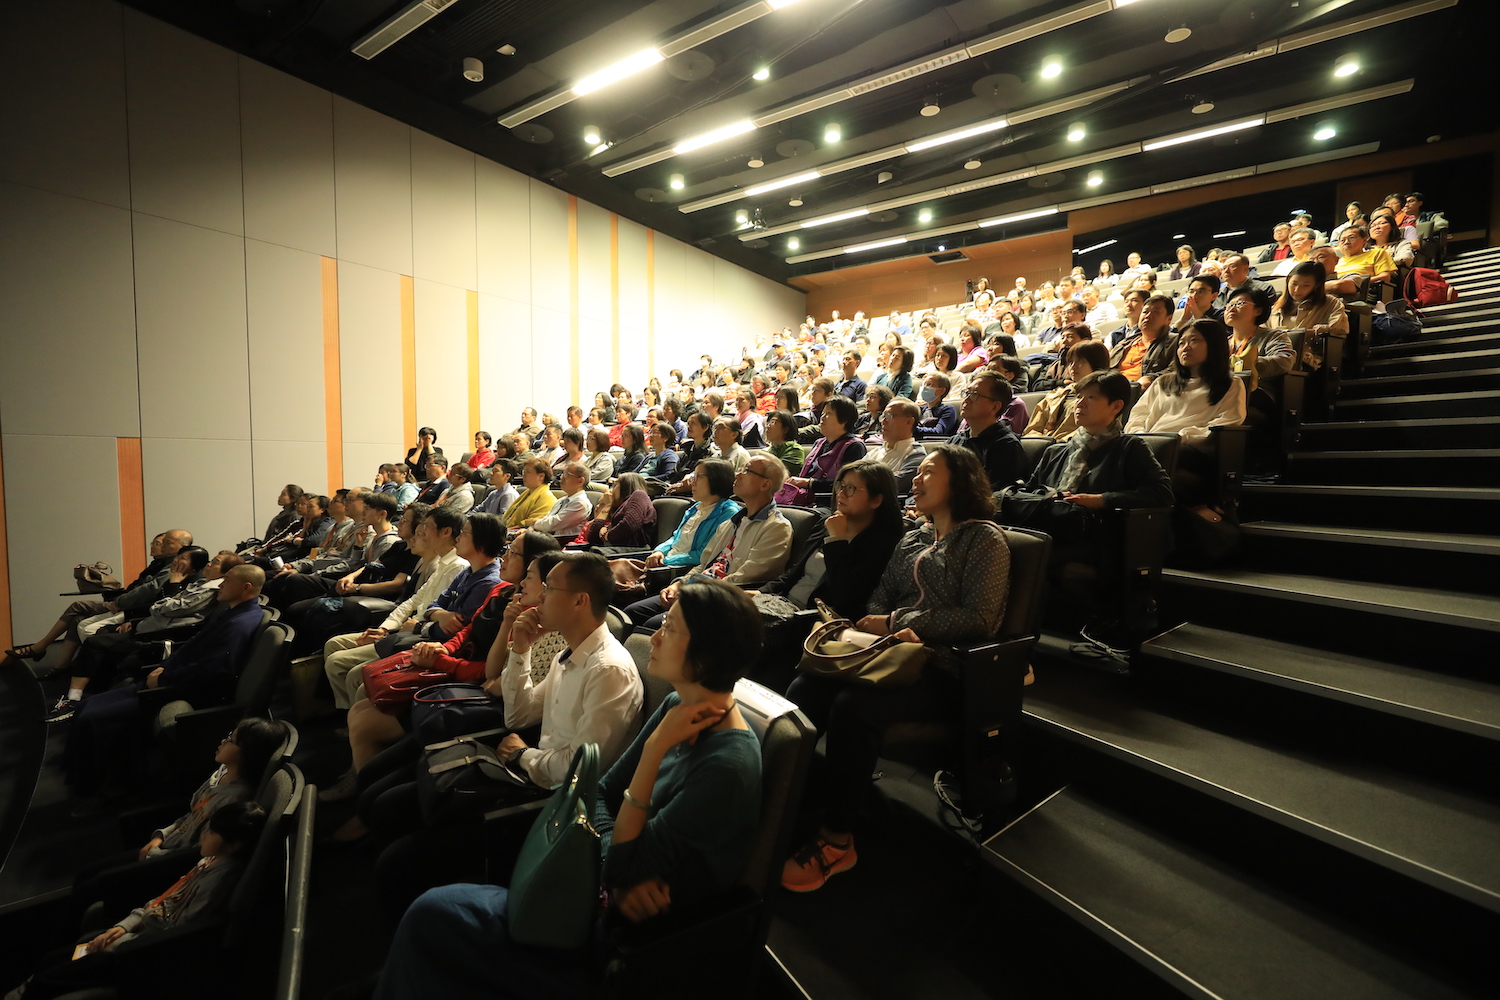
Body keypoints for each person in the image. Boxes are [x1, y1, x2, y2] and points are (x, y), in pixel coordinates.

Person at [373, 578, 762, 1000]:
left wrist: (652, 755)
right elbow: (599, 794)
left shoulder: (727, 766)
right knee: (433, 913)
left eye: (670, 628)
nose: (656, 635)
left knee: (433, 913)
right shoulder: (676, 705)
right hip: (595, 889)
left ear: (707, 654)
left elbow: (621, 867)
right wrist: (618, 852)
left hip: (621, 942)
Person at [781, 445, 1009, 891]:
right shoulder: (914, 537)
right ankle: (789, 798)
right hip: (888, 654)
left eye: (928, 472)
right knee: (807, 686)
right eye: (916, 472)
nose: (915, 479)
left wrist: (902, 622)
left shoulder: (984, 540)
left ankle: (837, 840)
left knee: (852, 707)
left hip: (945, 667)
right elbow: (878, 598)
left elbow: (980, 618)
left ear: (959, 481)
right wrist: (885, 621)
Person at [12, 801, 269, 1000]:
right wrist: (124, 925)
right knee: (55, 959)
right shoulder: (207, 862)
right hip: (138, 933)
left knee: (53, 978)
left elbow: (180, 932)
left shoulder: (220, 880)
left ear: (233, 845)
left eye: (212, 832)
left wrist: (124, 940)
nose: (203, 834)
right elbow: (161, 900)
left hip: (144, 953)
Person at [64, 565, 267, 808]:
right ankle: (79, 777)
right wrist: (163, 668)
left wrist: (163, 679)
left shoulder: (240, 623)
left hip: (183, 690)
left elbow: (216, 670)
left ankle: (93, 791)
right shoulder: (232, 613)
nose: (220, 584)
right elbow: (192, 648)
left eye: (228, 580)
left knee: (94, 717)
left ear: (246, 587)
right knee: (87, 704)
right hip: (171, 679)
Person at [1014, 370, 1174, 647]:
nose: (1079, 403)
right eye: (1079, 397)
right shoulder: (1056, 450)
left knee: (1028, 552)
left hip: (1098, 536)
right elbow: (1030, 491)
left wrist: (1102, 500)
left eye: (1091, 398)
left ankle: (1020, 639)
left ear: (1116, 406)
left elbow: (1162, 493)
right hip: (1054, 527)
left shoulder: (1129, 447)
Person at [747, 460, 908, 691]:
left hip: (813, 621)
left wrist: (836, 541)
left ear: (876, 500)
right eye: (841, 485)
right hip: (781, 606)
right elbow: (793, 574)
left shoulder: (884, 544)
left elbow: (846, 597)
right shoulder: (827, 524)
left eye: (851, 489)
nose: (841, 493)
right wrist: (759, 592)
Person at [624, 453, 792, 628]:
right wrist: (679, 584)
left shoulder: (777, 528)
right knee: (632, 611)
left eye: (746, 470)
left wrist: (696, 591)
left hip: (722, 600)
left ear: (765, 484)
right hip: (699, 588)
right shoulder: (732, 523)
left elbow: (746, 577)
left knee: (652, 625)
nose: (738, 474)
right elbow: (704, 564)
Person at [1126, 320, 1247, 508]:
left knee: (1164, 460)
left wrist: (1179, 438)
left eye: (1194, 340)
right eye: (1181, 342)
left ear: (1214, 345)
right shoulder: (1163, 382)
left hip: (1189, 452)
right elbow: (1138, 416)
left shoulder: (1230, 384)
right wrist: (1142, 437)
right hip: (1152, 445)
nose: (1185, 347)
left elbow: (1227, 421)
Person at [645, 460, 741, 569]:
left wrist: (664, 561)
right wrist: (659, 551)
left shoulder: (728, 513)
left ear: (716, 479)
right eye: (693, 477)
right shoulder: (695, 508)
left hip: (685, 569)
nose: (692, 483)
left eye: (698, 477)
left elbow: (704, 555)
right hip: (668, 563)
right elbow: (676, 539)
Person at [780, 396, 868, 505]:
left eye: (828, 414)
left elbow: (848, 486)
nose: (822, 418)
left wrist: (809, 483)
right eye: (822, 414)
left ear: (844, 420)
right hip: (804, 498)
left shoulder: (854, 446)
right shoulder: (819, 443)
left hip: (830, 503)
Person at [950, 370, 1025, 489]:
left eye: (975, 394)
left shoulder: (1006, 446)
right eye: (967, 393)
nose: (966, 400)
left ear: (995, 407)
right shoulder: (954, 441)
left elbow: (992, 494)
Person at [1269, 260, 1348, 370]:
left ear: (1316, 285)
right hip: (1274, 354)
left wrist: (1307, 332)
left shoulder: (1330, 303)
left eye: (1305, 285)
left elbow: (1339, 329)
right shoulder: (1277, 306)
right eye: (1294, 284)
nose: (1297, 290)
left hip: (1306, 358)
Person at [1025, 340, 1110, 439]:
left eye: (1081, 361)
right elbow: (1033, 429)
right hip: (1041, 445)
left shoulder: (1103, 398)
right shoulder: (1056, 394)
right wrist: (1039, 442)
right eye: (1071, 362)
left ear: (1097, 363)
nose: (1073, 366)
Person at [1224, 286, 1295, 394]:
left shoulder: (1273, 336)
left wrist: (1250, 363)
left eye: (1240, 303)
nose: (1232, 309)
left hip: (1258, 392)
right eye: (1229, 305)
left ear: (1258, 310)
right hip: (1226, 391)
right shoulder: (1222, 343)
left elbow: (1285, 361)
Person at [1113, 293, 1179, 386]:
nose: (1148, 316)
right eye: (1145, 312)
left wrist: (1151, 378)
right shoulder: (1125, 343)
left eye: (1156, 312)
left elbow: (1176, 370)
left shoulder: (1175, 342)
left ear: (1169, 319)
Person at [579, 472, 655, 547]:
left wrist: (606, 535)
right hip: (611, 549)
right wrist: (607, 506)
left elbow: (628, 525)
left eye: (615, 485)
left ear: (625, 487)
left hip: (630, 550)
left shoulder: (639, 495)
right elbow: (593, 538)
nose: (611, 490)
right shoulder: (618, 508)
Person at [868, 399, 926, 493]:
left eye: (889, 416)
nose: (883, 421)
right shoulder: (873, 452)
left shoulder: (916, 454)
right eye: (883, 416)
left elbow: (892, 485)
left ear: (909, 421)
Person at [1327, 225, 1397, 297]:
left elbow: (1385, 277)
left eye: (1351, 237)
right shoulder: (1336, 261)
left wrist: (1355, 283)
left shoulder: (1377, 253)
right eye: (1342, 240)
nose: (1346, 242)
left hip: (1362, 293)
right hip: (1333, 292)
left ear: (1364, 240)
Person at [531, 463, 594, 541]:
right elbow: (547, 519)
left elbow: (553, 524)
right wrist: (531, 528)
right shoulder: (562, 500)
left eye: (567, 475)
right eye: (562, 474)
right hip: (549, 539)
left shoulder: (581, 503)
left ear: (580, 481)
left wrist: (534, 523)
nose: (561, 478)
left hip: (563, 542)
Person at [501, 458, 557, 530]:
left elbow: (532, 524)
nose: (524, 475)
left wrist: (504, 531)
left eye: (528, 472)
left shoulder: (547, 498)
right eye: (523, 472)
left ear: (541, 476)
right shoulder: (527, 493)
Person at [913, 372, 959, 439]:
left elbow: (938, 432)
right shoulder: (920, 409)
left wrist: (911, 429)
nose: (924, 387)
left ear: (941, 391)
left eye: (929, 384)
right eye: (923, 384)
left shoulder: (948, 410)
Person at [764, 409, 808, 477]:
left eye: (773, 422)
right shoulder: (766, 450)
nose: (768, 426)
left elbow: (776, 472)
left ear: (785, 429)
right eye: (768, 422)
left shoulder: (795, 450)